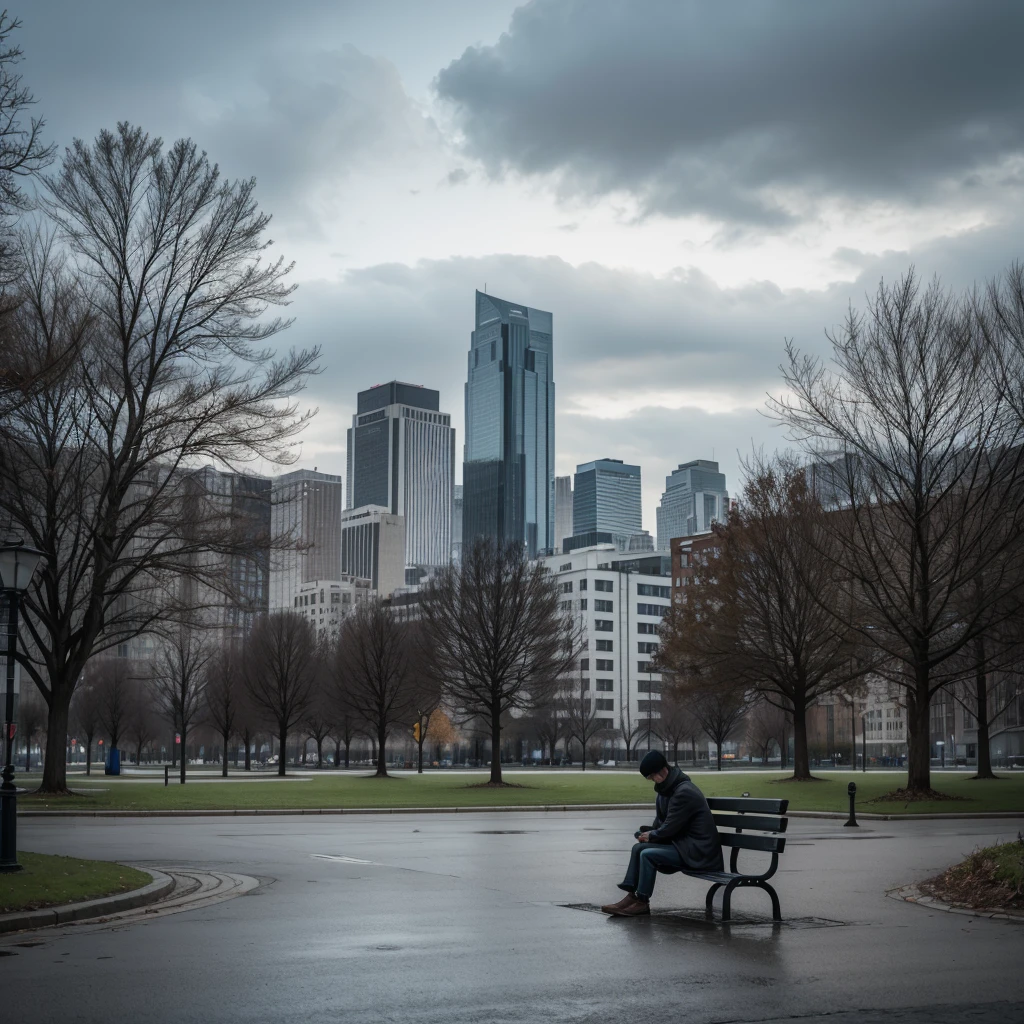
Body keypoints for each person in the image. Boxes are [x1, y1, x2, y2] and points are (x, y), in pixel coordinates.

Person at [601, 750, 723, 917]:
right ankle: (631, 896)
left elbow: (669, 828)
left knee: (648, 855)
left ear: (662, 770)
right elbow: (660, 824)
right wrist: (646, 833)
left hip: (698, 851)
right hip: (683, 845)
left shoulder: (683, 791)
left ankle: (642, 902)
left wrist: (651, 836)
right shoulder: (666, 790)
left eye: (652, 776)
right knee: (639, 848)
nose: (652, 780)